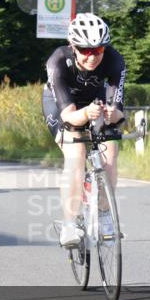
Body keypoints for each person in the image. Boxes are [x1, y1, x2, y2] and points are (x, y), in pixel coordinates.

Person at [42, 13, 126, 248]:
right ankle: (69, 224)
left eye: (97, 50)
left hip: (95, 100)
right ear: (73, 47)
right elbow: (69, 116)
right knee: (75, 156)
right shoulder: (57, 61)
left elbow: (118, 109)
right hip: (62, 104)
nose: (91, 56)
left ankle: (104, 215)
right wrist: (86, 114)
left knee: (110, 155)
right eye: (85, 50)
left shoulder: (114, 60)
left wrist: (112, 114)